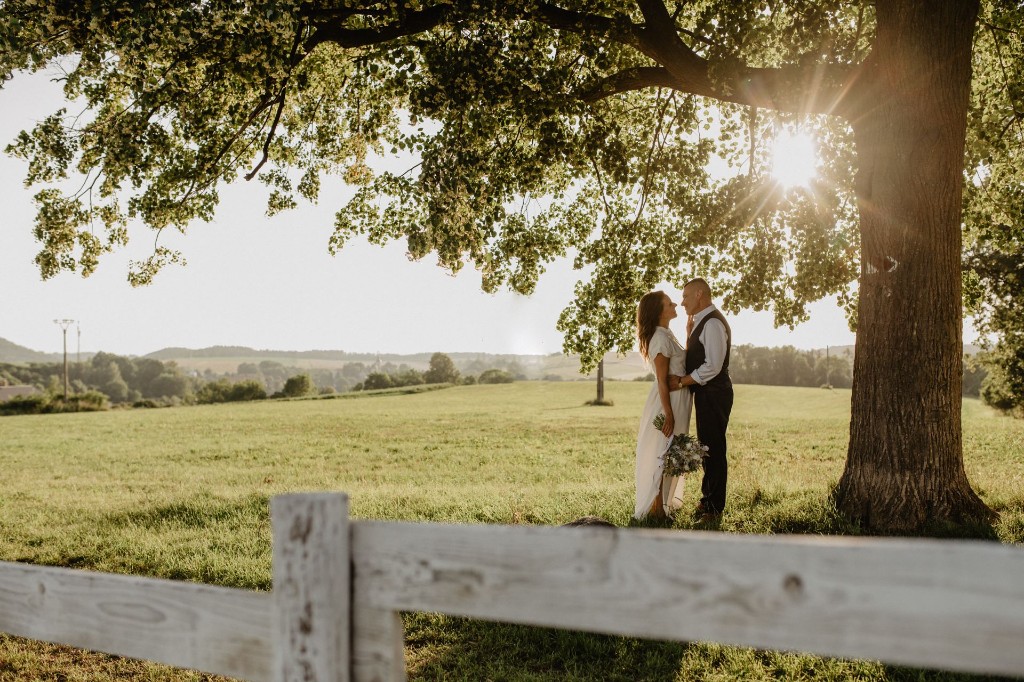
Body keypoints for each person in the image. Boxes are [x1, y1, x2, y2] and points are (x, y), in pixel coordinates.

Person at [674, 278, 733, 519]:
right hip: (708, 393)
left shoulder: (712, 324)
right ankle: (707, 500)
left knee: (713, 449)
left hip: (715, 393)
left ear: (700, 294)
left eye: (686, 296)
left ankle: (714, 507)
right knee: (707, 448)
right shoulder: (702, 323)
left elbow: (713, 366)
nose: (682, 302)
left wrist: (681, 381)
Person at [633, 290, 693, 520]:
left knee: (671, 451)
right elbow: (661, 378)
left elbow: (680, 363)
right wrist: (668, 414)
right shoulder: (659, 338)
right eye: (670, 303)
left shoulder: (667, 334)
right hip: (667, 401)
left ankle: (664, 506)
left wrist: (688, 335)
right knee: (663, 452)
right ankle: (656, 509)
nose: (675, 304)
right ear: (659, 311)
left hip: (679, 398)